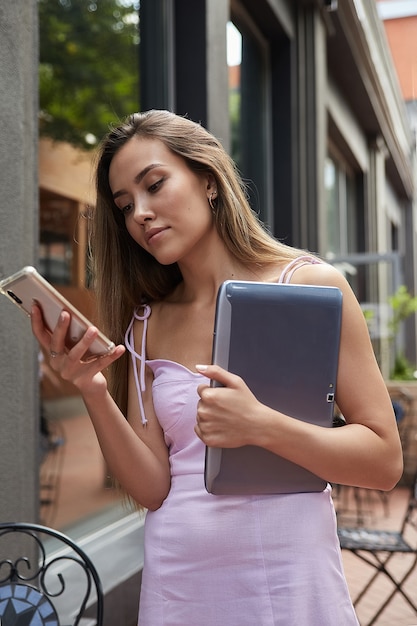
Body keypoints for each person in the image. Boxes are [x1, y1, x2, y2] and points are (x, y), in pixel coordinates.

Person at [31, 110, 403, 625]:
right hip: (179, 588)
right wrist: (91, 388)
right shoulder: (144, 324)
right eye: (124, 205)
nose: (140, 212)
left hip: (287, 582)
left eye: (155, 185)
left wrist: (262, 426)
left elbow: (383, 461)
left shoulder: (308, 287)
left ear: (208, 179)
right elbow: (153, 489)